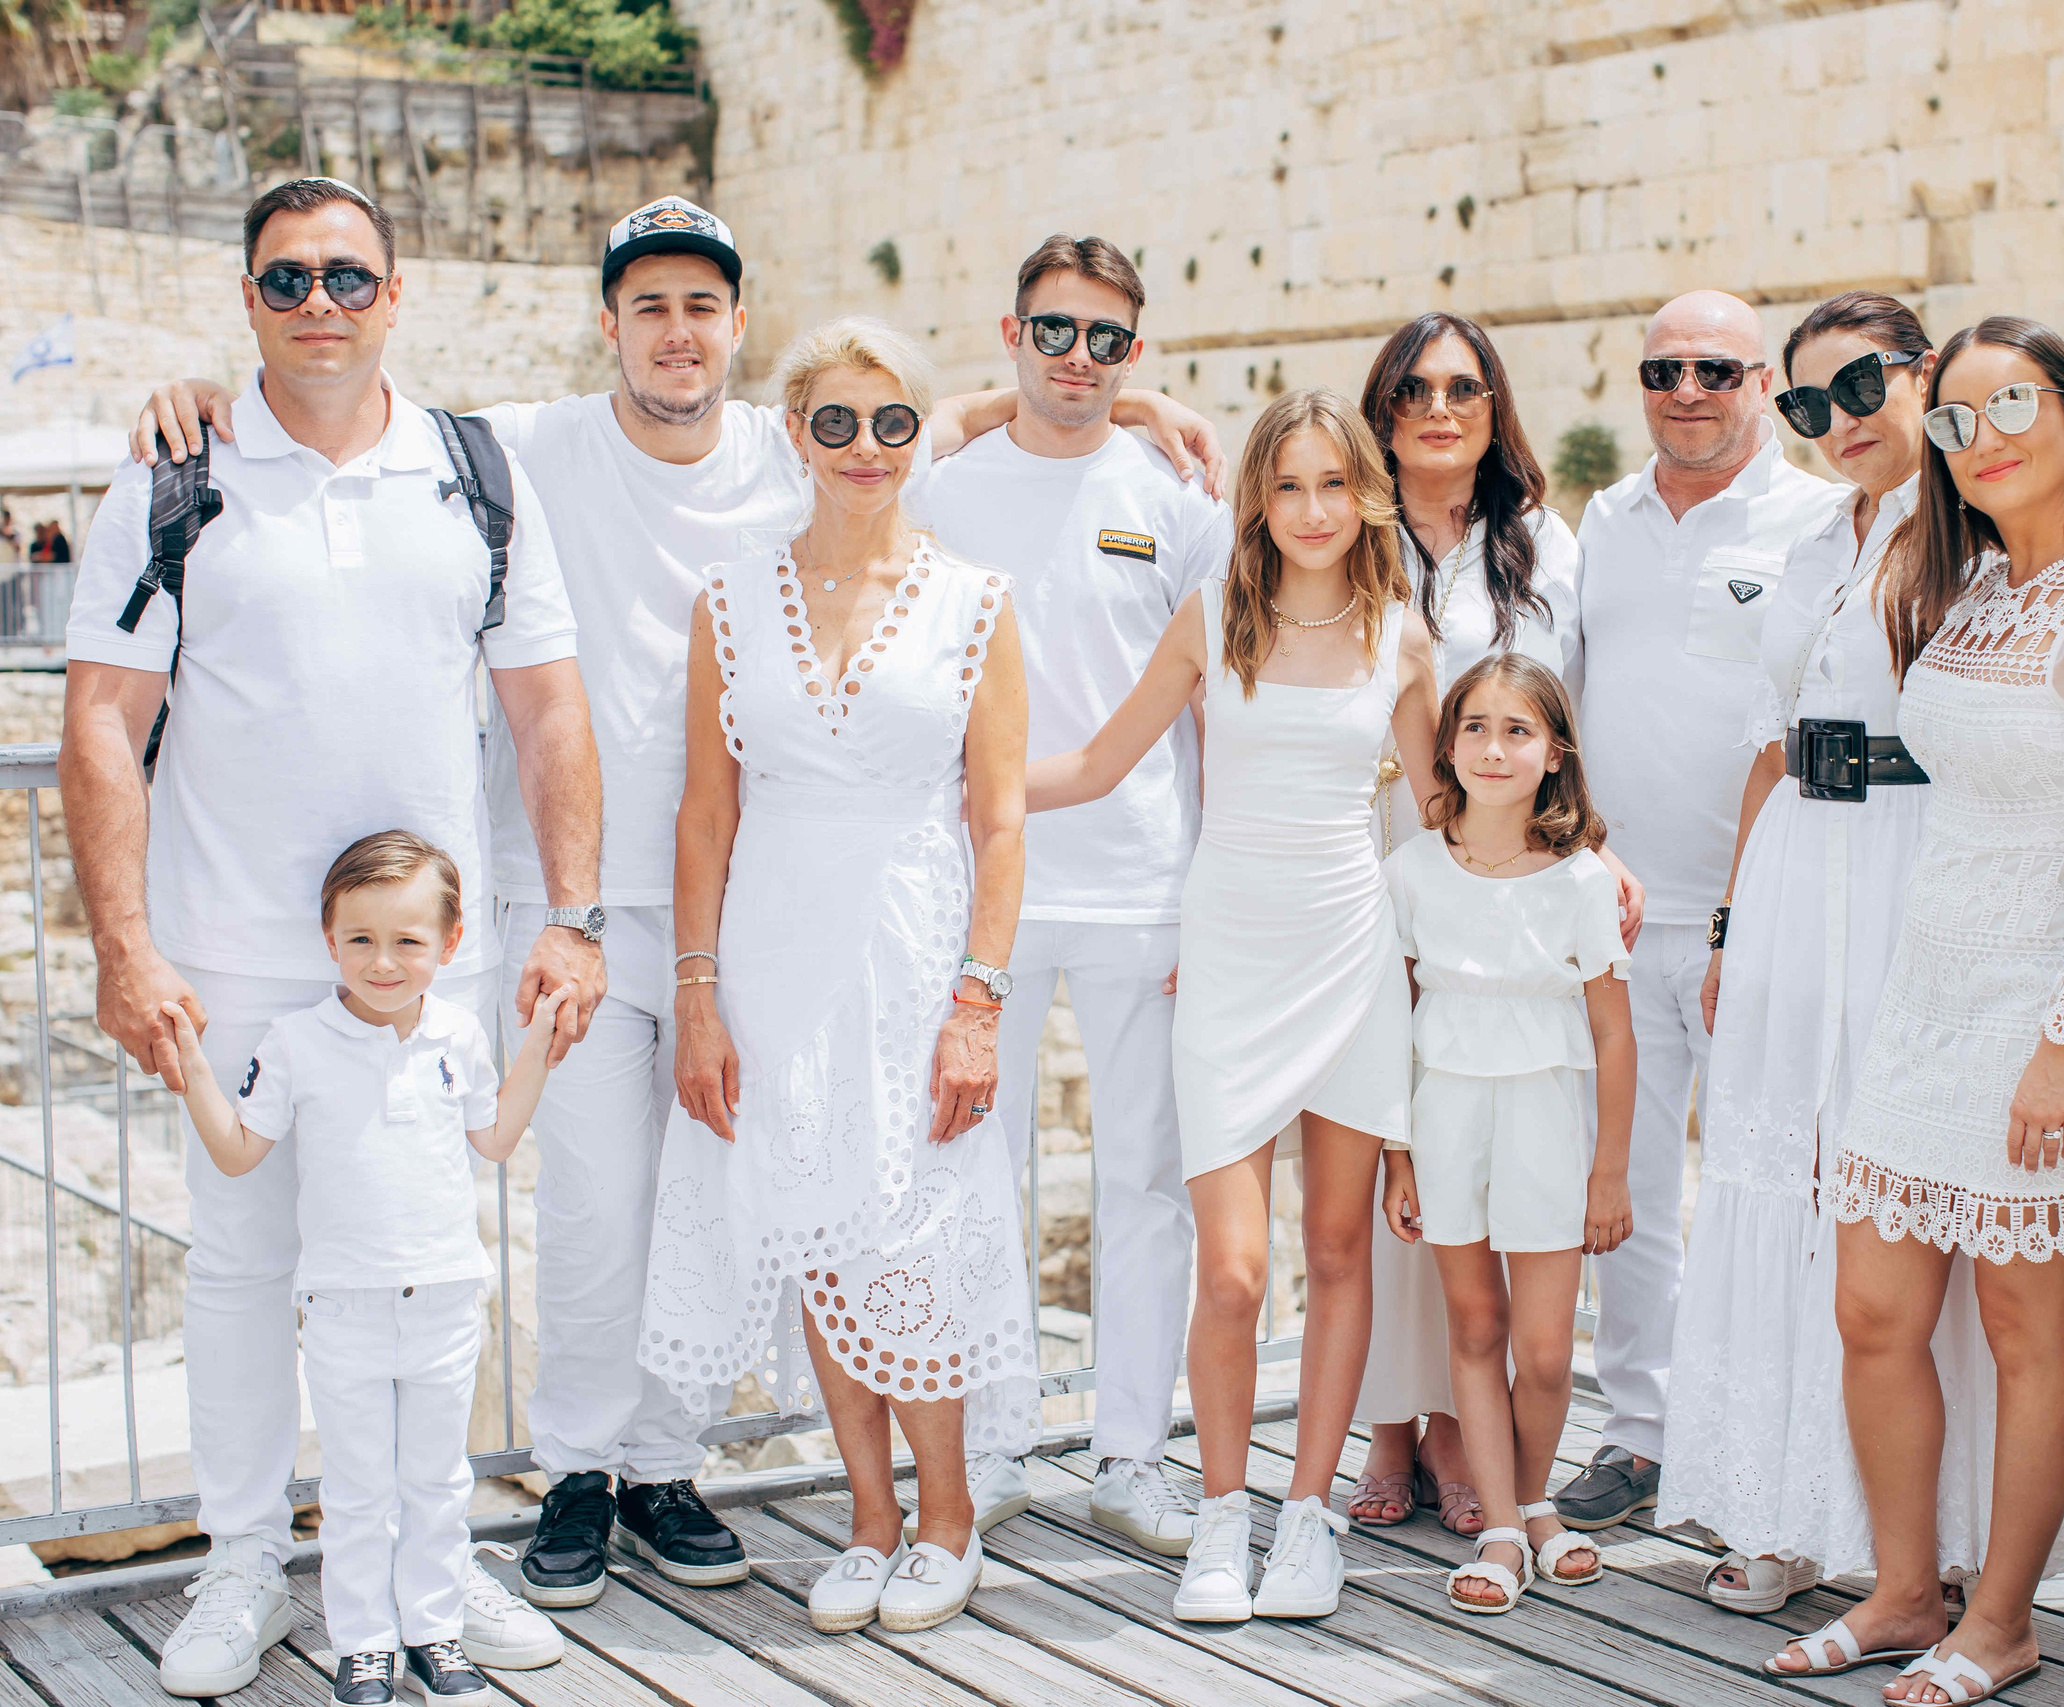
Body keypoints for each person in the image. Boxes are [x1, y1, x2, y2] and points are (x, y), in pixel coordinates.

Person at [124, 200, 1226, 1602]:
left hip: (769, 911)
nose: (677, 329)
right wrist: (206, 399)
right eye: (650, 304)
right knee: (599, 1202)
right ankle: (583, 1467)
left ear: (737, 325)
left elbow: (918, 406)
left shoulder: (795, 443)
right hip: (576, 894)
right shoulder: (525, 442)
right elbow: (352, 403)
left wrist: (1133, 392)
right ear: (611, 323)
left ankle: (666, 1459)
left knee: (769, 1191)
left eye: (702, 305)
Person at [57, 176, 600, 1697]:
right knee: (239, 1267)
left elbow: (549, 705)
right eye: (287, 279)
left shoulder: (473, 471)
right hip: (228, 955)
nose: (319, 305)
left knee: (434, 1265)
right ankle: (241, 1559)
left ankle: (435, 1562)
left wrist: (572, 917)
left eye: (347, 277)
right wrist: (124, 947)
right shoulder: (177, 474)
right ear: (247, 299)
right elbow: (102, 718)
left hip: (436, 960)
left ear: (394, 292)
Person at [635, 317, 1035, 1637]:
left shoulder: (977, 599)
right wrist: (697, 990)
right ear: (795, 433)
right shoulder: (731, 599)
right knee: (816, 1222)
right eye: (837, 422)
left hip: (919, 949)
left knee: (910, 1229)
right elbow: (705, 813)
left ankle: (951, 1511)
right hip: (775, 948)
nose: (867, 448)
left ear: (923, 435)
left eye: (894, 422)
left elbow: (1000, 820)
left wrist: (979, 998)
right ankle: (869, 1514)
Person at [1028, 388, 1439, 1623]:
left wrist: (1575, 864)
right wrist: (952, 784)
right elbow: (1100, 763)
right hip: (1229, 959)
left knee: (1337, 1250)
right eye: (1287, 486)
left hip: (1354, 957)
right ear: (1256, 499)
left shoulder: (1401, 636)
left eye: (1332, 485)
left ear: (1361, 495)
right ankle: (1222, 1513)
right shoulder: (1215, 618)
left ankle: (1307, 1518)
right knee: (1234, 1272)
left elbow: (1440, 814)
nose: (1311, 511)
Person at [1802, 317, 2064, 1702]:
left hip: (2039, 1005)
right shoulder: (1964, 594)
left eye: (2011, 403)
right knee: (1872, 1307)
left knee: (2026, 1322)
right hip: (1930, 989)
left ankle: (2001, 1618)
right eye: (1955, 419)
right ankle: (1905, 1587)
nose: (1984, 436)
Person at [1658, 291, 2001, 1629]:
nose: (1837, 421)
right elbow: (1770, 740)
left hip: (1909, 867)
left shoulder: (1973, 530)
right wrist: (1736, 924)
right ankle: (1777, 1506)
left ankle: (1925, 1531)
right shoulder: (1815, 536)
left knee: (1892, 1194)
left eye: (1860, 387)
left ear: (1923, 373)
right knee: (1779, 1175)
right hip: (1800, 867)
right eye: (1806, 403)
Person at [903, 234, 1232, 1553]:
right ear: (1012, 330)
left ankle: (1130, 1450)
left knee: (1144, 1181)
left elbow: (1217, 709)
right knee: (973, 1171)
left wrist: (1209, 891)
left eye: (1106, 339)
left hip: (1144, 886)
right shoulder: (940, 486)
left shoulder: (1179, 498)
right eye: (1055, 331)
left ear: (1136, 351)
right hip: (973, 889)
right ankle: (989, 1443)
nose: (1079, 359)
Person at [162, 833, 573, 1707]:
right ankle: (365, 1644)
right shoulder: (296, 1041)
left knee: (436, 1481)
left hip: (448, 1297)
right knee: (356, 1490)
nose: (383, 962)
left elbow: (496, 1137)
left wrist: (539, 1043)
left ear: (449, 944)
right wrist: (194, 1067)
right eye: (361, 940)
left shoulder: (459, 1032)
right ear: (328, 938)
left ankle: (434, 1630)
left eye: (408, 941)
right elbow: (239, 1152)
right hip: (344, 1307)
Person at [1554, 289, 1839, 1527]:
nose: (1686, 391)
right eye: (1663, 368)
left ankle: (1764, 1449)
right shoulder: (1601, 521)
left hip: (1760, 916)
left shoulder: (1821, 518)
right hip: (1614, 918)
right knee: (1625, 1194)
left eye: (1715, 369)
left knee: (1765, 1189)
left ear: (1764, 381)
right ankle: (1641, 1434)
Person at [1342, 313, 1598, 1537]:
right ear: (1381, 409)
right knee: (1391, 1145)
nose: (1438, 408)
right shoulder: (1345, 534)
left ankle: (1454, 1424)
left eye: (1463, 387)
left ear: (1495, 407)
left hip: (1509, 877)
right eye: (1413, 389)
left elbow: (1574, 708)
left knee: (1473, 1144)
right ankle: (1389, 1419)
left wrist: (1590, 852)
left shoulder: (1545, 546)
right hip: (1373, 869)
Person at [1378, 654, 1633, 1614]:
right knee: (1475, 1328)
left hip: (1543, 1118)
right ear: (1446, 746)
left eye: (1518, 730)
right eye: (1475, 727)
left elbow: (1615, 1033)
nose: (1494, 747)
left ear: (1555, 752)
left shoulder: (1579, 880)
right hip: (1444, 1111)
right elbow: (1392, 1023)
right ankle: (1498, 1524)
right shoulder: (1410, 871)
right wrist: (1396, 1156)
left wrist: (1609, 1171)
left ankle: (1535, 1498)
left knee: (1549, 1348)